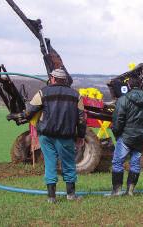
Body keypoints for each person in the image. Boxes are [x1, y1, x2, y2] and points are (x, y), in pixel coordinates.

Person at [10, 69, 86, 203]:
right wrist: (80, 135)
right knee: (68, 164)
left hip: (46, 136)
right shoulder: (76, 95)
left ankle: (51, 197)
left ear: (53, 78)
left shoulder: (42, 92)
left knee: (50, 163)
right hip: (66, 136)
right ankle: (71, 195)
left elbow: (29, 112)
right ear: (65, 80)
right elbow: (81, 119)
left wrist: (18, 115)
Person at [110, 77, 143, 196]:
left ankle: (117, 191)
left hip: (126, 136)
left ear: (128, 85)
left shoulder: (123, 99)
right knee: (135, 163)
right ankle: (130, 191)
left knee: (118, 162)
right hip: (141, 136)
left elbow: (118, 119)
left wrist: (117, 133)